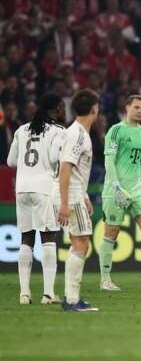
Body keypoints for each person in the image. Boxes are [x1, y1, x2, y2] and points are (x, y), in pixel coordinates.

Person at [99, 95, 141, 291]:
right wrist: (115, 186)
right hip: (116, 190)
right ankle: (105, 279)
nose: (139, 111)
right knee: (111, 233)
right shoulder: (116, 130)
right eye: (136, 107)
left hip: (137, 189)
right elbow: (109, 160)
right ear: (127, 107)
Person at [6, 92, 66, 305]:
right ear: (57, 108)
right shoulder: (58, 131)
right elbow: (54, 158)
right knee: (48, 237)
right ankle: (48, 294)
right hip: (44, 188)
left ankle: (24, 294)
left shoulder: (21, 130)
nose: (64, 110)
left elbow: (11, 161)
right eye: (62, 106)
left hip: (22, 189)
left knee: (26, 238)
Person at [55, 89, 100, 312]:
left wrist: (85, 196)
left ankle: (71, 298)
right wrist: (65, 203)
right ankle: (72, 300)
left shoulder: (75, 132)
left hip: (74, 194)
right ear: (94, 109)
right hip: (69, 196)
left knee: (79, 243)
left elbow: (75, 172)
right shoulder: (78, 135)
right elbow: (65, 168)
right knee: (81, 244)